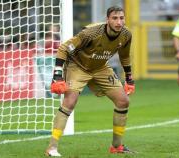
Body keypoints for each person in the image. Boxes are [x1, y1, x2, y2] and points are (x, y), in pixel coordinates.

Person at [45, 6, 135, 156]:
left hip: (100, 68)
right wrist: (58, 75)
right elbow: (64, 48)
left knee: (123, 101)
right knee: (70, 102)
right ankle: (51, 148)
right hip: (77, 66)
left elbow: (124, 57)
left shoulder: (126, 35)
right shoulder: (91, 33)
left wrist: (129, 78)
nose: (119, 22)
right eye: (114, 18)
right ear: (107, 20)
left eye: (121, 18)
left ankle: (116, 146)